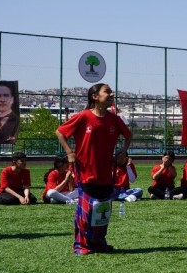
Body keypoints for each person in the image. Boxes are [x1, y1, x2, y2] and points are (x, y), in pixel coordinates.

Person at [55, 83, 133, 255]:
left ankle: (99, 243)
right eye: (107, 92)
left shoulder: (114, 119)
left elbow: (128, 135)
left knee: (103, 210)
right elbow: (60, 132)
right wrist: (69, 152)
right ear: (95, 97)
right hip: (86, 172)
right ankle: (81, 245)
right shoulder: (83, 117)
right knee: (86, 210)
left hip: (107, 172)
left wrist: (123, 151)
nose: (112, 94)